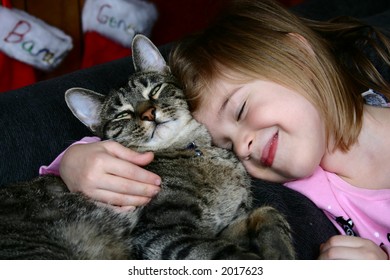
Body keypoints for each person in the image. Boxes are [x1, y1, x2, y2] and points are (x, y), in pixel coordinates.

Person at [40, 0, 390, 259]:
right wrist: (75, 161)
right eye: (225, 144)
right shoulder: (304, 184)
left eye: (240, 109)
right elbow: (155, 145)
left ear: (298, 57)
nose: (243, 147)